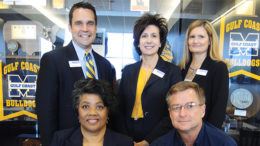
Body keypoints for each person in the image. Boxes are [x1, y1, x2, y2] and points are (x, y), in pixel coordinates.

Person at [36, 2, 116, 146]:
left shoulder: (105, 66)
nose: (85, 29)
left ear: (96, 27)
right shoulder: (52, 60)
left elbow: (109, 110)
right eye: (79, 23)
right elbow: (45, 112)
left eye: (90, 23)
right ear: (70, 27)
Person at [117, 13, 182, 146]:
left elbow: (174, 110)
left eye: (154, 36)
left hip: (159, 139)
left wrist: (148, 141)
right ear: (138, 42)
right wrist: (126, 139)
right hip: (128, 139)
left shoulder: (172, 72)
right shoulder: (128, 71)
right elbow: (119, 108)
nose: (149, 40)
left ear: (160, 42)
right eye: (144, 36)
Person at [50, 79, 133, 146]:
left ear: (107, 111)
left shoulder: (125, 143)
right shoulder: (60, 140)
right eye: (85, 106)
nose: (92, 113)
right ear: (77, 111)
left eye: (99, 107)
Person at [178, 20, 229, 129]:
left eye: (201, 37)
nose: (195, 41)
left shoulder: (219, 68)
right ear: (187, 41)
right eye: (192, 37)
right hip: (180, 130)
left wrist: (208, 134)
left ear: (210, 40)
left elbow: (219, 107)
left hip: (205, 132)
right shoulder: (180, 68)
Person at [151, 81, 237, 146]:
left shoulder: (224, 143)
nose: (182, 114)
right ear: (170, 113)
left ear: (203, 110)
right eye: (176, 107)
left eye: (190, 106)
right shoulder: (159, 144)